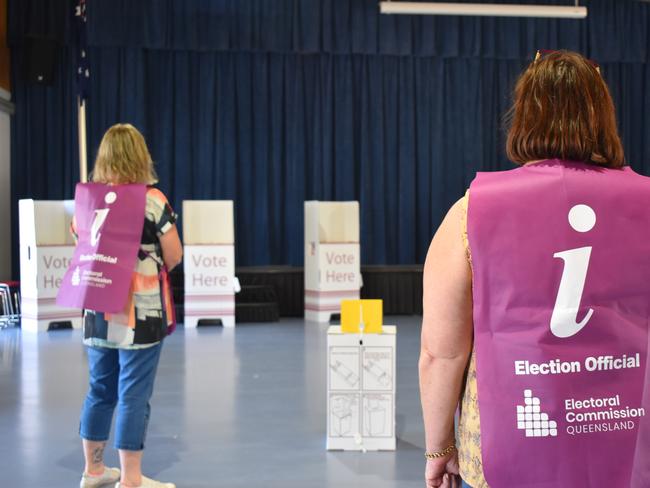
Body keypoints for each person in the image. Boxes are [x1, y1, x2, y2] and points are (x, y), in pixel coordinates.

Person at [420, 50, 650, 488]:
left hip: (506, 445)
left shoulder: (473, 212)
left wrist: (439, 449)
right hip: (629, 442)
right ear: (603, 115)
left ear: (524, 116)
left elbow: (441, 353)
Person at [76, 124, 183, 488]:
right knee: (134, 392)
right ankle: (132, 480)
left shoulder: (88, 200)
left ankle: (93, 470)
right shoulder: (152, 200)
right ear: (140, 156)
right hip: (142, 313)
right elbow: (174, 255)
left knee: (99, 389)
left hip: (97, 309)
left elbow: (79, 240)